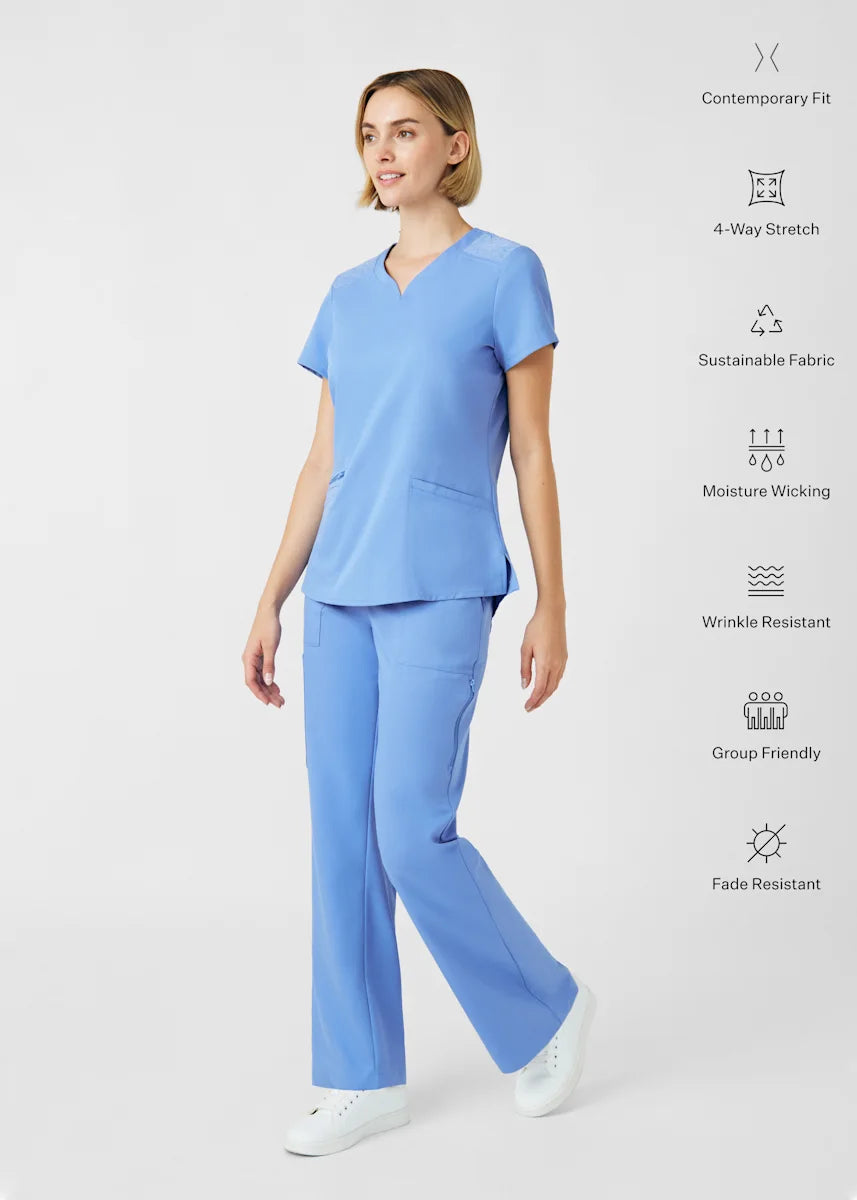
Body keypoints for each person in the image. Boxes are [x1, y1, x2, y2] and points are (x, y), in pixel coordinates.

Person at [242, 67, 596, 1158]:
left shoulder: (505, 275)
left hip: (444, 582)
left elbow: (531, 450)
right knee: (343, 839)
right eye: (368, 136)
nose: (382, 152)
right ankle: (360, 1079)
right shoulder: (346, 296)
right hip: (338, 593)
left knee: (409, 830)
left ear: (455, 144)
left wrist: (551, 602)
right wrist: (269, 597)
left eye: (403, 131)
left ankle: (544, 1007)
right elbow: (320, 463)